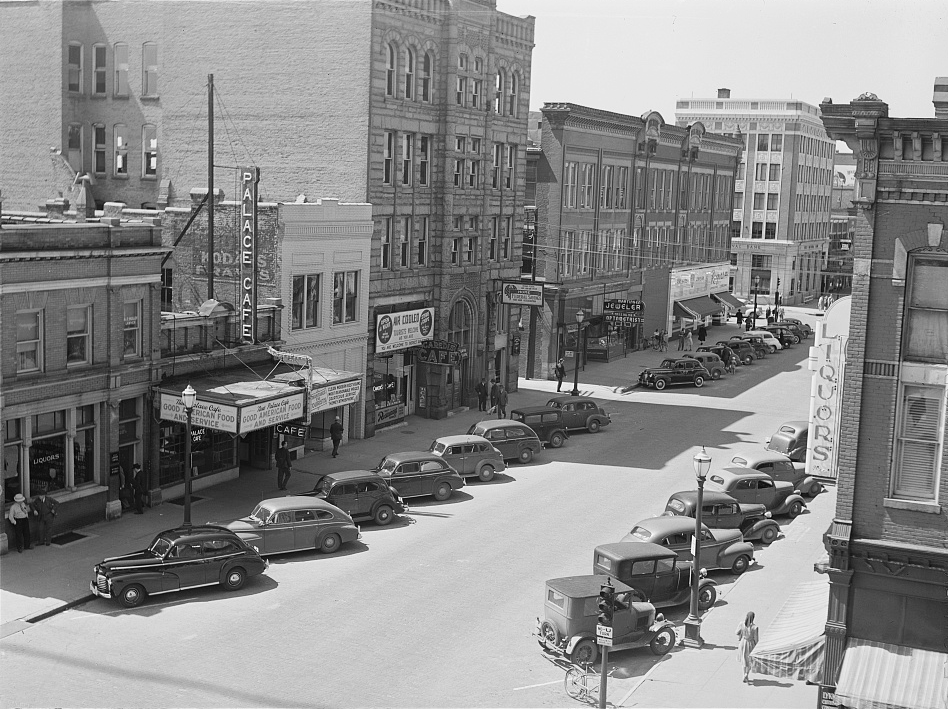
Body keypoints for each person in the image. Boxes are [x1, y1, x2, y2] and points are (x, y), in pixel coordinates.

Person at [736, 611, 759, 683]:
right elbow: (756, 639)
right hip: (750, 644)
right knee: (750, 661)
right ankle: (746, 674)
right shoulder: (755, 627)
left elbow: (736, 632)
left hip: (743, 642)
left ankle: (744, 675)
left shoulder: (741, 624)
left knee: (744, 660)